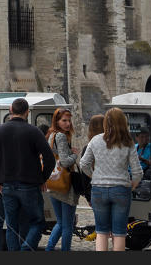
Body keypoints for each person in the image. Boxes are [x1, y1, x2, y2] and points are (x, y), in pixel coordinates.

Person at [0, 98, 56, 252]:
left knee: (11, 226)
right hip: (29, 185)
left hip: (6, 186)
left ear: (11, 110)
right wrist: (42, 178)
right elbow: (49, 159)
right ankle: (25, 248)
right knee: (37, 222)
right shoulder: (34, 131)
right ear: (27, 112)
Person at [78, 107, 144, 253]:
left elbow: (83, 164)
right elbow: (137, 171)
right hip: (121, 189)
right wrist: (132, 185)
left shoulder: (95, 140)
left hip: (98, 189)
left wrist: (94, 176)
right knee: (119, 232)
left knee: (101, 231)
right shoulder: (128, 142)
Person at [45, 107, 78, 252]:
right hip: (64, 185)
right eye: (64, 120)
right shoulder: (61, 137)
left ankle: (49, 248)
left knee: (60, 222)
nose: (68, 124)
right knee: (67, 225)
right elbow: (65, 162)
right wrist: (75, 154)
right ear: (57, 121)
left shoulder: (51, 135)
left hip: (53, 183)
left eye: (69, 120)